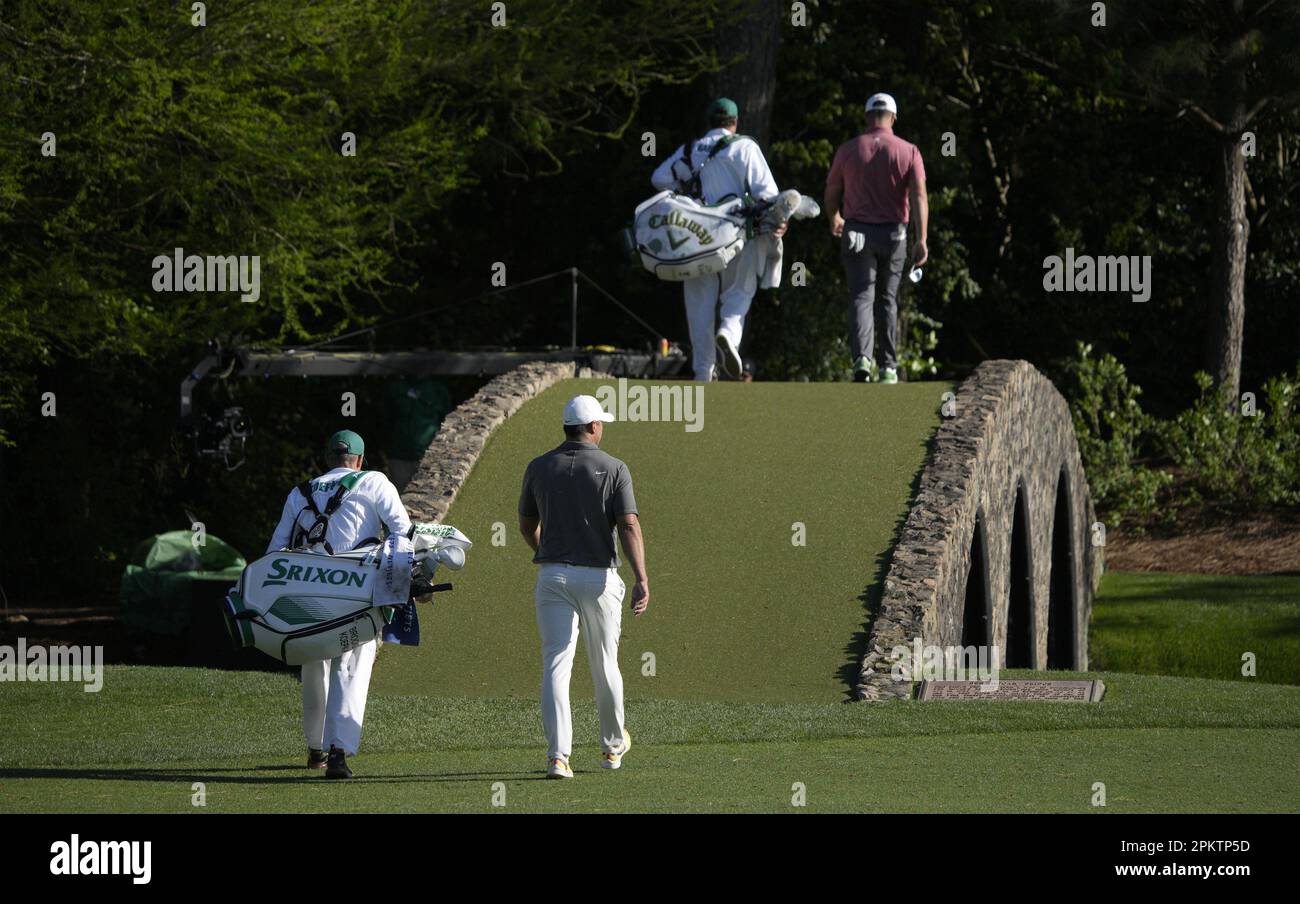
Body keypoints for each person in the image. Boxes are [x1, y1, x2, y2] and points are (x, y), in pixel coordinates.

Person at [266, 429, 412, 779]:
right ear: (360, 460)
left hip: (305, 592)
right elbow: (402, 532)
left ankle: (316, 747)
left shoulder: (299, 493)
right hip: (354, 590)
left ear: (327, 459)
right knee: (351, 663)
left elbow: (274, 553)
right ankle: (337, 752)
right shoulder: (375, 481)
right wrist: (410, 580)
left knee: (314, 663)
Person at [518, 395, 649, 779]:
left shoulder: (539, 466)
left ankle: (558, 757)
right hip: (599, 577)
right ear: (593, 427)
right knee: (604, 663)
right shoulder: (614, 467)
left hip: (552, 577)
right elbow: (628, 525)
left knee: (556, 665)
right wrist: (642, 578)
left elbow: (527, 525)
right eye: (601, 423)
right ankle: (611, 748)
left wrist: (545, 550)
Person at [651, 98, 785, 381]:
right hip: (737, 236)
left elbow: (659, 178)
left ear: (709, 121)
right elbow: (768, 194)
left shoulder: (688, 150)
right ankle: (728, 333)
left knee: (699, 305)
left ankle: (703, 372)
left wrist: (685, 194)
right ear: (735, 122)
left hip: (695, 239)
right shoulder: (744, 146)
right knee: (738, 294)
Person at [825, 92, 929, 384]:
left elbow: (832, 191)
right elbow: (919, 195)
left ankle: (862, 360)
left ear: (867, 116)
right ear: (893, 117)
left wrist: (834, 217)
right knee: (887, 299)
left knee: (861, 296)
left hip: (856, 231)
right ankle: (888, 368)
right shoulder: (909, 151)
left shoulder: (848, 149)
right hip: (894, 234)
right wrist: (921, 238)